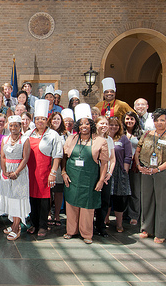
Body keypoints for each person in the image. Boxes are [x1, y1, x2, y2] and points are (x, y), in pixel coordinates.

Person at [59, 104, 109, 244]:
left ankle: (87, 234)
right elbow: (64, 157)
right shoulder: (71, 139)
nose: (84, 126)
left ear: (92, 125)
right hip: (72, 177)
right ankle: (71, 231)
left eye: (87, 123)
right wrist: (63, 172)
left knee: (87, 207)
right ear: (77, 126)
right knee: (71, 205)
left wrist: (101, 180)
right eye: (81, 124)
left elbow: (104, 163)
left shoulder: (100, 141)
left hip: (90, 179)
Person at [135, 108, 166, 243]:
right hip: (146, 171)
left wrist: (158, 169)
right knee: (147, 199)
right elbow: (138, 150)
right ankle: (146, 228)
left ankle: (161, 232)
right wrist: (139, 165)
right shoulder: (147, 134)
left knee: (162, 202)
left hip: (163, 172)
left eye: (162, 120)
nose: (158, 123)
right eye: (156, 120)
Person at [26, 99, 63, 237]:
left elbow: (58, 155)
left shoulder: (53, 135)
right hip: (30, 172)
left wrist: (53, 173)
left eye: (43, 119)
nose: (40, 121)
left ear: (47, 120)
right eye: (37, 119)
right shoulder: (29, 133)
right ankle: (34, 224)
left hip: (45, 172)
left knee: (43, 199)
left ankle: (42, 225)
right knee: (32, 198)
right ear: (34, 120)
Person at [0, 115, 31, 241]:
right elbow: (2, 156)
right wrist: (4, 170)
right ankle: (13, 224)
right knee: (10, 198)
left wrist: (16, 172)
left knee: (17, 199)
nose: (13, 128)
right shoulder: (5, 139)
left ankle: (17, 228)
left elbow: (25, 158)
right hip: (7, 172)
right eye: (11, 125)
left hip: (19, 173)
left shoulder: (25, 139)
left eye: (16, 125)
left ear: (20, 126)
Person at [107, 116, 133, 233]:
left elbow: (128, 156)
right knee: (107, 197)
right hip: (106, 170)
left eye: (116, 125)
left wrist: (125, 170)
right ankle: (105, 219)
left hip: (119, 171)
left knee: (119, 198)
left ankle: (119, 223)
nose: (113, 127)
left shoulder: (123, 139)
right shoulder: (103, 138)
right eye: (111, 124)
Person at [94, 116, 117, 237]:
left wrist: (109, 173)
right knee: (93, 200)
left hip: (106, 175)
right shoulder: (91, 138)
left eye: (106, 124)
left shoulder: (109, 139)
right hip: (93, 174)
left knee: (104, 201)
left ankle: (101, 226)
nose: (104, 126)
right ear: (96, 124)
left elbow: (112, 159)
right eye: (101, 123)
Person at [123, 111, 143, 225]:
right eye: (127, 119)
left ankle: (134, 215)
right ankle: (124, 212)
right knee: (123, 190)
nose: (129, 121)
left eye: (131, 119)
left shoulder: (141, 134)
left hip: (134, 166)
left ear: (135, 121)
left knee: (135, 190)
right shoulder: (121, 133)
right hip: (122, 165)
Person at [47, 112, 67, 226]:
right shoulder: (47, 133)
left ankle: (57, 215)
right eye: (54, 119)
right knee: (48, 192)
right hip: (48, 164)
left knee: (58, 192)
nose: (56, 121)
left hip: (60, 166)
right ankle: (49, 212)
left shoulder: (65, 134)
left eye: (58, 119)